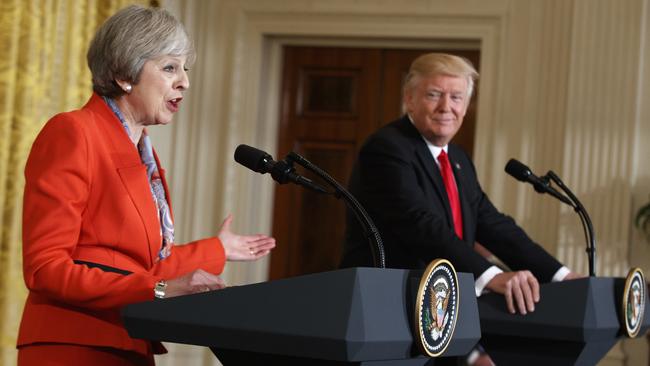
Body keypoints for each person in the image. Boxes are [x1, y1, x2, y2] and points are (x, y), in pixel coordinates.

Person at [16, 5, 276, 366]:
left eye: (185, 69)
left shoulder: (144, 154)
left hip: (128, 343)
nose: (184, 81)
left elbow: (141, 267)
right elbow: (45, 269)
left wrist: (216, 250)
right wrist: (160, 290)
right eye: (170, 67)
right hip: (75, 345)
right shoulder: (74, 132)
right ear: (125, 73)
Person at [340, 53, 580, 363]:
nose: (446, 107)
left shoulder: (458, 159)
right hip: (386, 311)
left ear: (466, 107)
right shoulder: (387, 148)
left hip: (437, 310)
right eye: (434, 95)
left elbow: (491, 223)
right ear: (409, 99)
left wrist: (561, 276)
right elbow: (420, 223)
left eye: (456, 97)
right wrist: (491, 276)